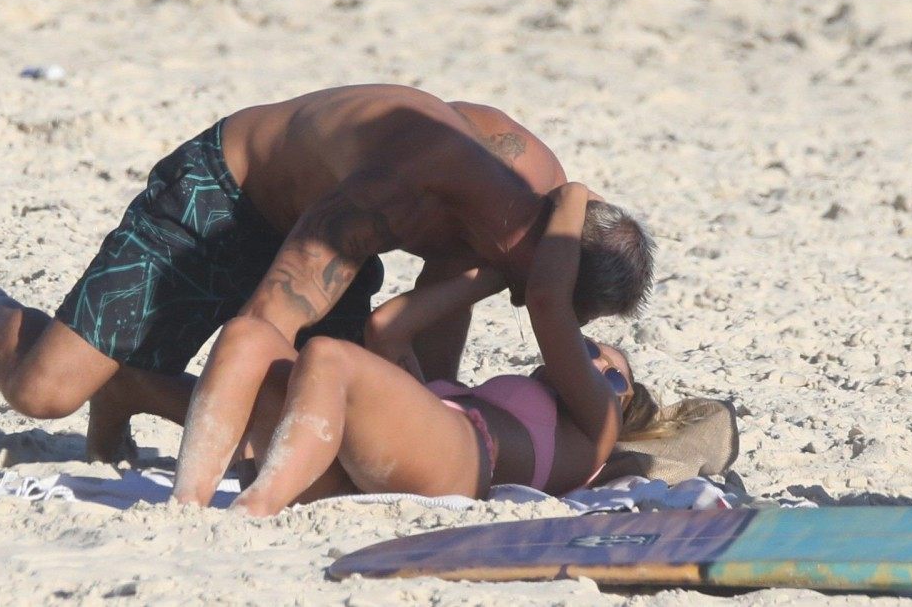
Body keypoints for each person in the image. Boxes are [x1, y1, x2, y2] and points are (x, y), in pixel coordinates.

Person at [0, 85, 654, 462]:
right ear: (542, 263)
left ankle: (128, 388)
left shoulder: (523, 196)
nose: (524, 304)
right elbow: (262, 324)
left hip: (331, 231)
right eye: (537, 297)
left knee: (305, 435)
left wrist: (433, 425)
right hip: (224, 197)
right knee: (43, 392)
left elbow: (427, 363)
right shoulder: (408, 186)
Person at [172, 183, 667, 514]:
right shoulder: (472, 397)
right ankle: (188, 504)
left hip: (465, 459)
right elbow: (387, 328)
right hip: (372, 461)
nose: (597, 363)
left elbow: (547, 300)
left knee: (328, 356)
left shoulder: (598, 423)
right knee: (248, 335)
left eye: (614, 375)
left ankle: (256, 507)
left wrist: (573, 195)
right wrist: (493, 276)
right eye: (594, 349)